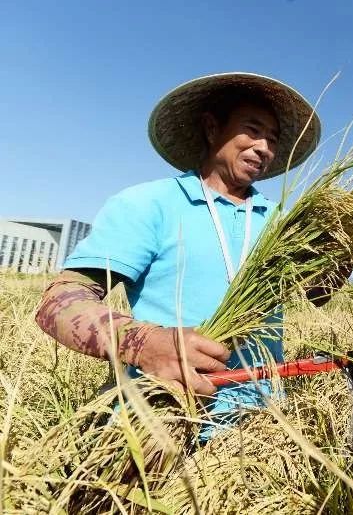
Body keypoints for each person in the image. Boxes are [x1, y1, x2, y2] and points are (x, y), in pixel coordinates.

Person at [35, 72, 327, 438]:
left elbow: (318, 293)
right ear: (211, 128)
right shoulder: (150, 205)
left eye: (272, 138)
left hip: (262, 428)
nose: (264, 147)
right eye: (252, 130)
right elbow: (58, 303)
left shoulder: (282, 223)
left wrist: (349, 247)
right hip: (163, 423)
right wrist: (146, 344)